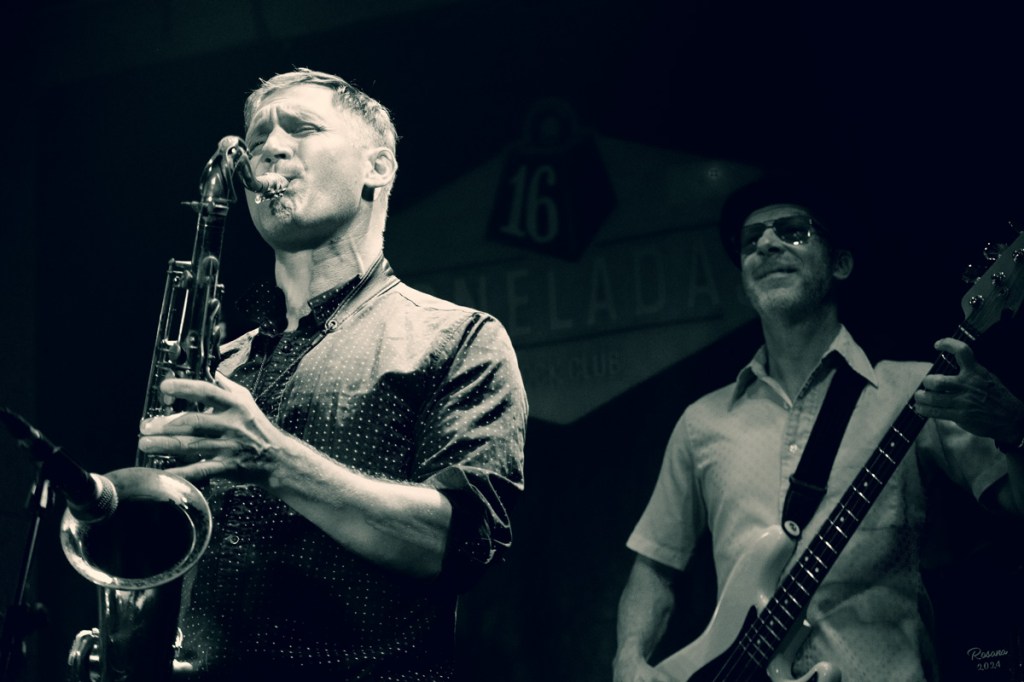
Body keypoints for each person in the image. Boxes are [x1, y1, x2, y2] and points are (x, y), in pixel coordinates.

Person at [136, 68, 528, 680]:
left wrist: (274, 461)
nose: (270, 148)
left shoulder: (458, 338)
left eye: (302, 128)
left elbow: (461, 545)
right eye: (258, 137)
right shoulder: (222, 366)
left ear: (378, 167)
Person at [612, 174, 1024, 682]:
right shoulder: (702, 422)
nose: (766, 244)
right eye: (751, 241)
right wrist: (628, 658)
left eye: (793, 231)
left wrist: (1015, 429)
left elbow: (1016, 504)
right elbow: (655, 565)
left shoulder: (915, 391)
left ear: (840, 263)